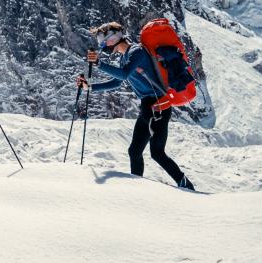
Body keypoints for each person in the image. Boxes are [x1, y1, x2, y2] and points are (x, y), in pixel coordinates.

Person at [76, 21, 195, 190]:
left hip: (157, 105)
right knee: (138, 151)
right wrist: (90, 87)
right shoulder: (125, 57)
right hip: (149, 106)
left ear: (114, 38)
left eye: (104, 42)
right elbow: (117, 82)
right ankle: (138, 188)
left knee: (155, 152)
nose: (103, 46)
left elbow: (124, 75)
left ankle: (184, 186)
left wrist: (99, 64)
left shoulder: (136, 51)